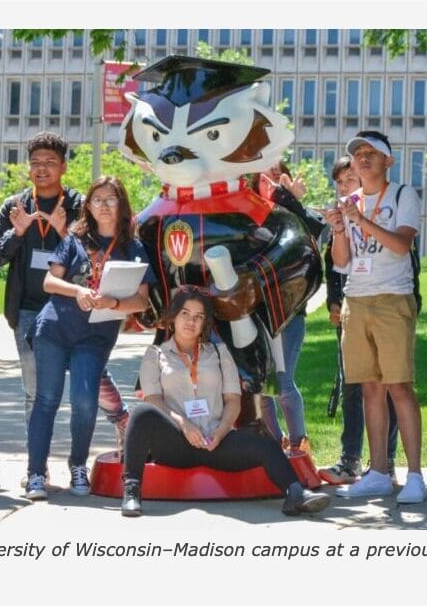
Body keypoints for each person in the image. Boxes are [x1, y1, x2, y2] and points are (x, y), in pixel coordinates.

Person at [121, 286, 330, 518]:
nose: (191, 321)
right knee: (142, 414)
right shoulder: (156, 354)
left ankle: (296, 494)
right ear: (173, 316)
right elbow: (154, 400)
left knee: (264, 440)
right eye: (185, 314)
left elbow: (233, 400)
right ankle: (131, 491)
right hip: (177, 443)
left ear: (205, 323)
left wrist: (221, 431)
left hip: (215, 440)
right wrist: (184, 425)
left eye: (198, 317)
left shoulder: (219, 353)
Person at [24, 176, 152, 501]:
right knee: (46, 400)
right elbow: (50, 283)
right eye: (97, 200)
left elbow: (142, 300)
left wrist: (115, 303)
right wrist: (79, 289)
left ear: (122, 204)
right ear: (88, 206)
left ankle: (78, 465)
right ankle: (36, 472)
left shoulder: (134, 247)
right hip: (55, 329)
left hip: (96, 334)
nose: (104, 206)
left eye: (111, 199)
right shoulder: (74, 240)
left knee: (84, 401)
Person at [324, 130, 426, 503]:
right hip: (356, 299)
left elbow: (401, 245)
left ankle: (414, 475)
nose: (363, 159)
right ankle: (378, 471)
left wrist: (360, 219)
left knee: (399, 386)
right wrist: (339, 228)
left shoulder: (402, 195)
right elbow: (341, 261)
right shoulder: (349, 200)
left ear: (388, 161)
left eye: (371, 153)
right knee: (369, 387)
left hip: (392, 299)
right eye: (357, 154)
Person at [317, 157, 398, 485]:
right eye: (339, 182)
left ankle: (386, 462)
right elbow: (333, 267)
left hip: (384, 308)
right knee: (352, 386)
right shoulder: (339, 218)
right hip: (350, 313)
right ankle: (350, 460)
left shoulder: (381, 213)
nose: (343, 186)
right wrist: (334, 304)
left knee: (388, 387)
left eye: (349, 179)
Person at [251, 160, 319, 454]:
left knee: (282, 380)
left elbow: (317, 231)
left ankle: (298, 442)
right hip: (257, 312)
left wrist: (291, 201)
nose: (270, 180)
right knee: (261, 384)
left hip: (289, 312)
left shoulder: (294, 212)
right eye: (264, 174)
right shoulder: (249, 214)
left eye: (277, 174)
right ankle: (274, 442)